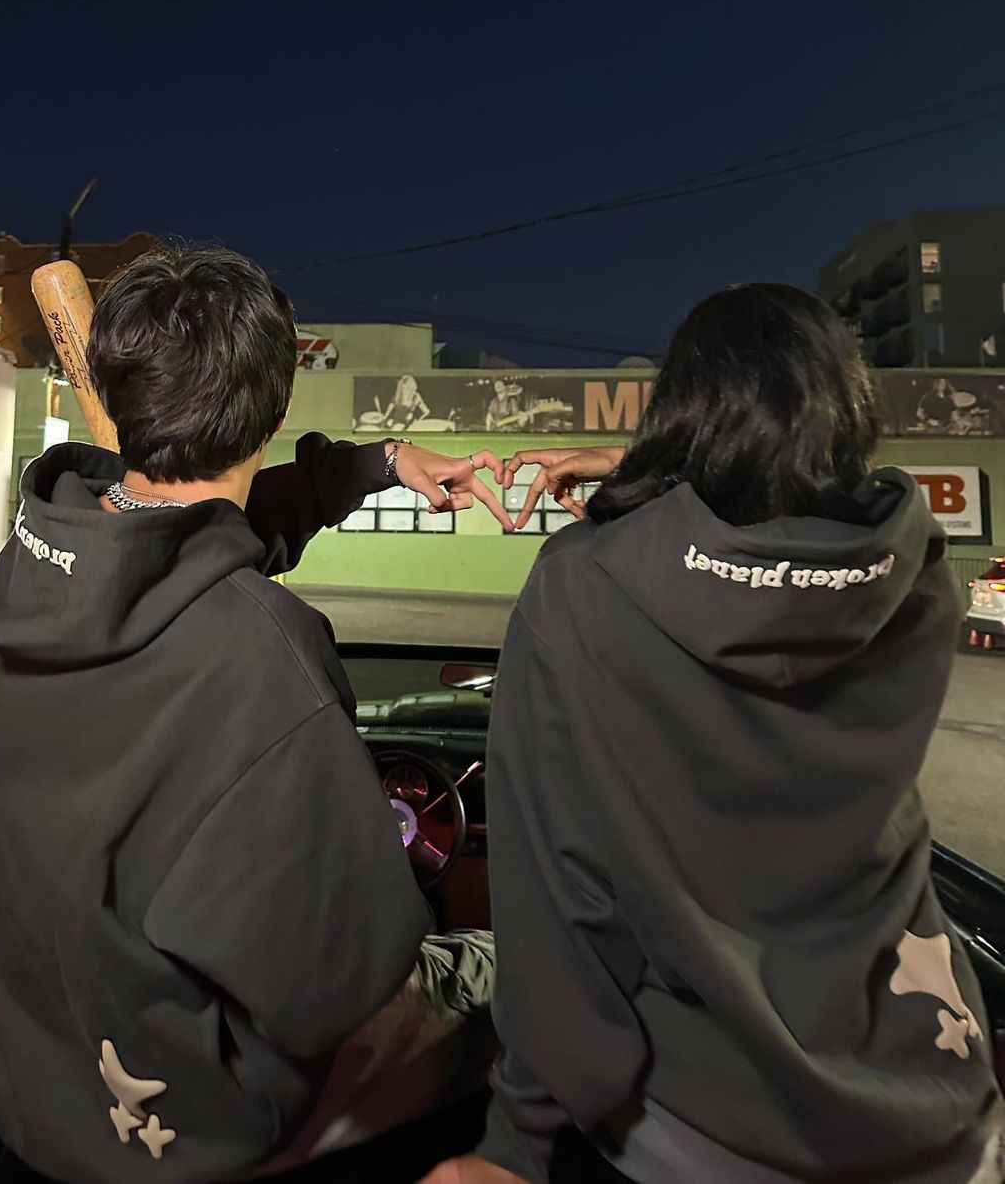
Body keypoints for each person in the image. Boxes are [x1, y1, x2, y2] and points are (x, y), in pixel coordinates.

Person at [427, 284, 1004, 1184]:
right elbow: (799, 514)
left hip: (699, 1137)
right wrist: (657, 468)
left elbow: (562, 903)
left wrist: (517, 1142)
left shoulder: (582, 591)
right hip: (939, 1111)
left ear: (680, 410)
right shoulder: (918, 580)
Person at [0, 247, 505, 1184]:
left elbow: (190, 532)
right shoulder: (266, 657)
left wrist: (376, 465)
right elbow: (338, 983)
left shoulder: (40, 557)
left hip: (29, 1083)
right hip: (188, 1123)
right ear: (277, 410)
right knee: (515, 969)